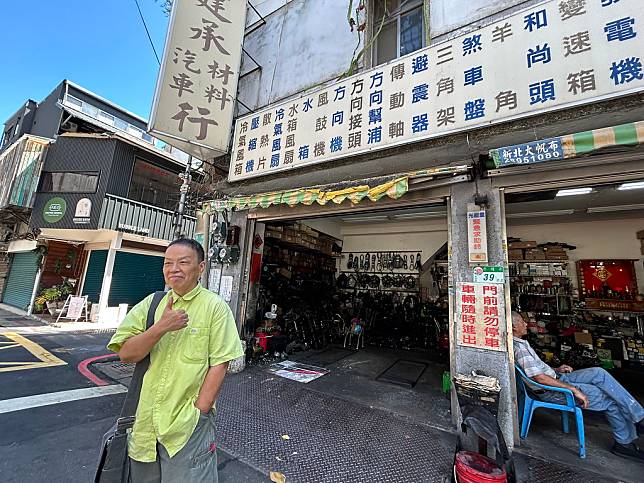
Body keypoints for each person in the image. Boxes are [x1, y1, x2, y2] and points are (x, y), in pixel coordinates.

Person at [107, 238, 244, 482]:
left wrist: (199, 412)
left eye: (183, 262)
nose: (174, 269)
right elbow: (126, 353)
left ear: (201, 268)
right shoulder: (152, 304)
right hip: (144, 425)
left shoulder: (214, 307)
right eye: (168, 263)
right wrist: (160, 327)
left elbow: (220, 363)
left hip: (186, 425)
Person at [512, 311, 644, 461]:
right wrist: (573, 389)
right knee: (609, 398)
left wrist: (556, 369)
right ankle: (623, 443)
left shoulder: (522, 343)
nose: (526, 324)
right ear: (514, 327)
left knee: (599, 373)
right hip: (553, 390)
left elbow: (538, 371)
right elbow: (540, 378)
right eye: (522, 322)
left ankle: (638, 415)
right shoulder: (520, 350)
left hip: (557, 377)